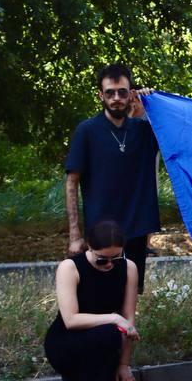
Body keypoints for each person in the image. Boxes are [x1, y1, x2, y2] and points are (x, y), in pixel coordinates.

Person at [65, 64, 160, 297]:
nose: (116, 98)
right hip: (101, 231)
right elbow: (71, 183)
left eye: (122, 92)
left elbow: (178, 135)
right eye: (110, 93)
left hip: (136, 228)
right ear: (101, 95)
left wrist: (153, 103)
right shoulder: (87, 130)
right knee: (98, 294)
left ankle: (126, 333)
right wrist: (75, 235)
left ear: (131, 93)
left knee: (130, 292)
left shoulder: (145, 130)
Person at [44, 220, 140, 381]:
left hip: (104, 339)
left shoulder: (129, 267)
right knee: (108, 332)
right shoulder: (70, 268)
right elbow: (70, 320)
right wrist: (114, 318)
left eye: (116, 257)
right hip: (66, 341)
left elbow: (129, 322)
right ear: (89, 247)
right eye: (102, 259)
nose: (110, 264)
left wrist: (124, 365)